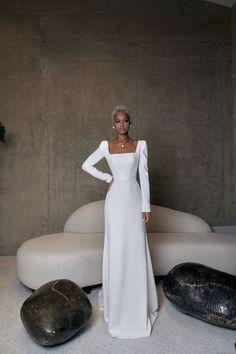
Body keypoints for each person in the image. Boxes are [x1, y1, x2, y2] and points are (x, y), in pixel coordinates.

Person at [81, 105, 159, 339]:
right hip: (114, 202)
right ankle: (117, 301)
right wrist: (108, 177)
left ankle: (136, 302)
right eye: (117, 121)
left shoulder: (140, 145)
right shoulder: (106, 145)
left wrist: (145, 205)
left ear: (130, 123)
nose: (121, 125)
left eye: (125, 121)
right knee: (116, 249)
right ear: (112, 124)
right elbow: (86, 165)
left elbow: (143, 176)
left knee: (134, 248)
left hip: (134, 200)